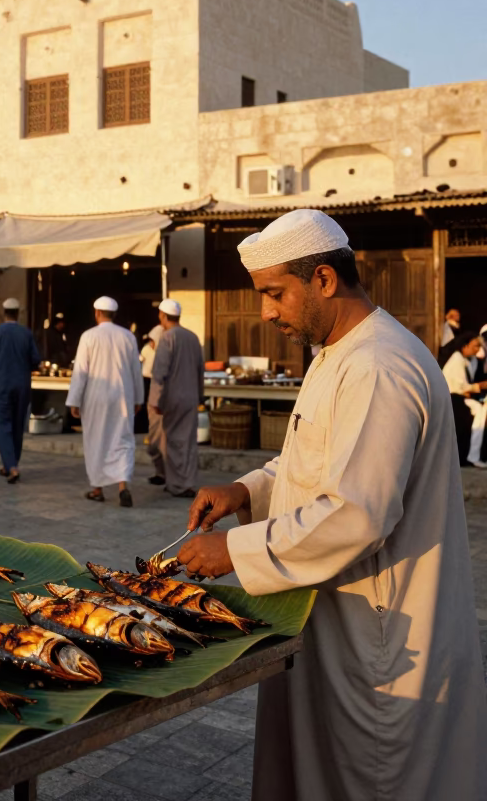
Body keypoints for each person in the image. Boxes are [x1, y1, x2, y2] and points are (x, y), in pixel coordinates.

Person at [176, 208, 486, 801]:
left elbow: (356, 511)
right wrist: (246, 490)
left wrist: (234, 549)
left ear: (323, 280)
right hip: (331, 617)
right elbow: (311, 465)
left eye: (274, 293)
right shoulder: (336, 354)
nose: (265, 312)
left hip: (377, 634)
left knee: (363, 780)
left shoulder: (377, 365)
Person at [66, 296, 143, 507]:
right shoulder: (128, 336)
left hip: (95, 397)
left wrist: (75, 401)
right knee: (123, 439)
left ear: (97, 313)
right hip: (122, 395)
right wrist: (138, 398)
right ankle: (123, 486)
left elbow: (80, 372)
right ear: (114, 314)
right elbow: (137, 371)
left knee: (96, 440)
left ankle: (97, 489)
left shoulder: (88, 336)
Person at [148, 299, 205, 498]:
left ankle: (177, 485)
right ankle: (187, 482)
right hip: (190, 397)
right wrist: (200, 395)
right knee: (188, 441)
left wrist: (155, 400)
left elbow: (159, 372)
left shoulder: (167, 338)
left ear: (163, 316)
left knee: (172, 440)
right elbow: (200, 370)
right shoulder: (192, 337)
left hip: (172, 398)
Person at [0, 297, 41, 483]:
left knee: (2, 425)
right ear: (18, 313)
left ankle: (12, 467)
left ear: (3, 313)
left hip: (1, 385)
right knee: (17, 425)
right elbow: (35, 360)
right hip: (22, 385)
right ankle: (10, 463)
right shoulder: (26, 334)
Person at [440, 331, 487, 467]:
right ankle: (474, 455)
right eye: (474, 346)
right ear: (464, 346)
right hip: (454, 398)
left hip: (462, 397)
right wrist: (480, 386)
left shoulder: (469, 361)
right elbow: (460, 386)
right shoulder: (456, 359)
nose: (477, 349)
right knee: (480, 411)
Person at [134, 324, 162, 435]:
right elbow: (140, 359)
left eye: (153, 341)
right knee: (142, 401)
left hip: (155, 379)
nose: (151, 343)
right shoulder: (146, 349)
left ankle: (150, 426)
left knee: (152, 404)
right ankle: (140, 426)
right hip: (145, 378)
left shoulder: (161, 351)